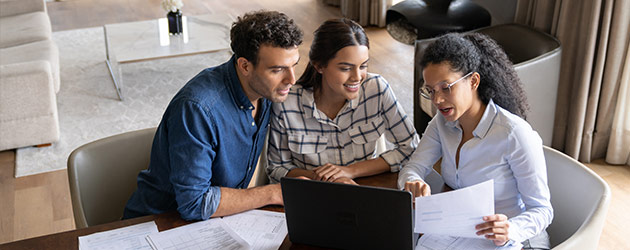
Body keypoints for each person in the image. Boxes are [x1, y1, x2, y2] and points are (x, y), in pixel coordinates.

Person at [122, 10, 303, 221]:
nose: (291, 79)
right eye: (278, 69)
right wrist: (272, 192)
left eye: (294, 65)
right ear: (245, 66)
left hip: (217, 220)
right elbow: (195, 203)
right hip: (160, 223)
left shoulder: (269, 92)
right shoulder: (198, 108)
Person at [397, 32, 553, 248]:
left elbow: (543, 210)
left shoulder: (513, 134)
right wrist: (412, 181)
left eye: (446, 87)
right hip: (462, 234)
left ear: (473, 81)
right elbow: (413, 167)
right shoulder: (441, 123)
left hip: (517, 239)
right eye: (430, 91)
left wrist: (511, 229)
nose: (437, 100)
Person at [267, 18, 419, 185]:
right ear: (319, 66)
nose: (357, 77)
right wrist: (327, 179)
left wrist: (350, 171)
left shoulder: (377, 89)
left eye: (363, 66)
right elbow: (277, 168)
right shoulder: (286, 103)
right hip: (314, 195)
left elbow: (411, 147)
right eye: (345, 68)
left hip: (367, 189)